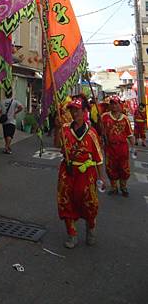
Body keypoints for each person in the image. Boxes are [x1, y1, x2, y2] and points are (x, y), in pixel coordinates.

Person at [57, 96, 105, 249]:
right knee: (65, 201)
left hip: (86, 173)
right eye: (72, 110)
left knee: (89, 203)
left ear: (85, 111)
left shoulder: (91, 133)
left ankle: (91, 227)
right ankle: (72, 234)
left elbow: (98, 158)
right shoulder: (65, 128)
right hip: (68, 170)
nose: (74, 113)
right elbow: (58, 145)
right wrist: (58, 129)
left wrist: (101, 177)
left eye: (77, 110)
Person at [101, 95, 135, 196]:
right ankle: (114, 187)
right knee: (111, 167)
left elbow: (129, 134)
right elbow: (100, 131)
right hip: (110, 147)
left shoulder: (125, 119)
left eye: (115, 103)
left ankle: (123, 187)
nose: (114, 105)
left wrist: (133, 147)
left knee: (124, 167)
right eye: (112, 103)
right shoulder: (104, 117)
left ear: (119, 105)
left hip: (122, 147)